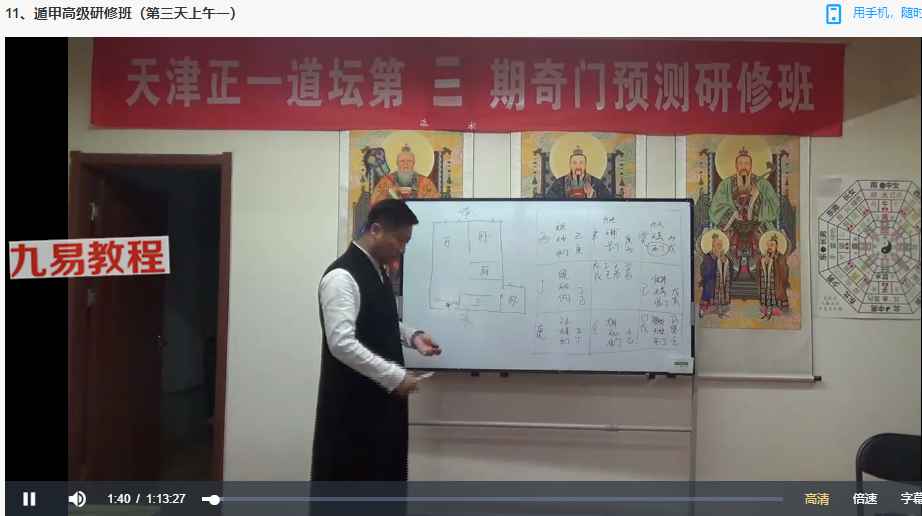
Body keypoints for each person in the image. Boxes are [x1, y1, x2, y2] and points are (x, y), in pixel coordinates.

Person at [312, 199, 442, 481]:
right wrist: (395, 377)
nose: (402, 249)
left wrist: (413, 337)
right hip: (351, 414)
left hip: (381, 410)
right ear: (375, 230)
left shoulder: (377, 271)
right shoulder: (341, 277)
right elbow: (341, 344)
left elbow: (378, 319)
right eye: (400, 240)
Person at [708, 148, 780, 279]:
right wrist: (732, 212)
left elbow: (774, 206)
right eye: (740, 163)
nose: (743, 167)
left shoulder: (762, 184)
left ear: (751, 165)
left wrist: (755, 200)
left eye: (747, 163)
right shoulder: (726, 184)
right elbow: (715, 208)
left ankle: (759, 271)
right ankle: (729, 271)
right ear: (736, 165)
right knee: (721, 244)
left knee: (767, 243)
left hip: (756, 224)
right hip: (733, 224)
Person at [370, 144, 440, 206]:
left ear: (414, 163)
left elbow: (435, 202)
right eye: (402, 161)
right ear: (397, 163)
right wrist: (389, 195)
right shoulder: (386, 181)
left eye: (409, 161)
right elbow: (375, 202)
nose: (406, 164)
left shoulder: (425, 182)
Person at [545, 146, 612, 199]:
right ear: (570, 165)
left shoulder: (596, 183)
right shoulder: (559, 183)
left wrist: (592, 195)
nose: (578, 166)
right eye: (574, 163)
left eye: (581, 162)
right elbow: (550, 200)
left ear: (585, 165)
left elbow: (608, 200)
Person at [699, 231, 733, 318]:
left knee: (722, 287)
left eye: (721, 245)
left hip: (720, 280)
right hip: (710, 280)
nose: (720, 247)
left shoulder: (723, 256)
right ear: (713, 246)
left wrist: (724, 261)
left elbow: (729, 267)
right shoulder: (708, 257)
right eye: (718, 245)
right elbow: (705, 271)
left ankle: (720, 309)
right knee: (709, 288)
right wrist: (716, 263)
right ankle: (703, 310)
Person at [757, 233, 790, 320]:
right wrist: (764, 261)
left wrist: (774, 260)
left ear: (776, 246)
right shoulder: (763, 256)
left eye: (772, 245)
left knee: (775, 295)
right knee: (765, 295)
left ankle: (775, 310)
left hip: (776, 281)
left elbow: (784, 268)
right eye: (768, 245)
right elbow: (759, 268)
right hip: (765, 281)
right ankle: (766, 311)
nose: (770, 247)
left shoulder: (780, 257)